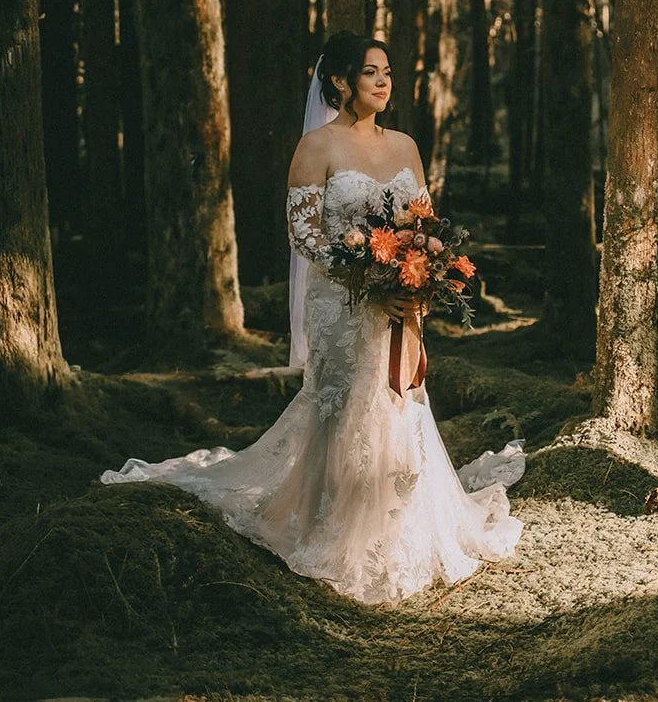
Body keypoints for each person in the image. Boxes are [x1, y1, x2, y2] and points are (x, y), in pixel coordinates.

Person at [102, 32, 523, 604]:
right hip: (341, 303)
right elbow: (304, 236)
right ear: (341, 82)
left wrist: (418, 278)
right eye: (370, 72)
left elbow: (423, 225)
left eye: (388, 71)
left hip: (400, 305)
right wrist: (368, 280)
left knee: (401, 400)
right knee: (346, 402)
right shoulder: (316, 147)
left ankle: (406, 525)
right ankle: (331, 522)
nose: (383, 81)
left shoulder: (405, 146)